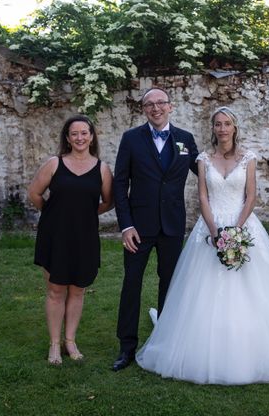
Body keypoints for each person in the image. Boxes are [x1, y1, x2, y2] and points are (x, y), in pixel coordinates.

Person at [136, 107, 269, 384]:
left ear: (234, 127)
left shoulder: (248, 158)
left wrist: (237, 231)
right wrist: (216, 232)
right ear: (213, 128)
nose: (222, 129)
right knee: (200, 290)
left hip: (244, 225)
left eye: (227, 123)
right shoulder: (203, 159)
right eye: (217, 124)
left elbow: (251, 196)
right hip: (210, 227)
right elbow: (202, 197)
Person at [112, 87, 199, 371]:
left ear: (170, 106)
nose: (156, 108)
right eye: (149, 104)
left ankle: (166, 343)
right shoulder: (130, 139)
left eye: (161, 102)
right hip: (139, 227)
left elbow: (206, 171)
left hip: (172, 224)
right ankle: (127, 347)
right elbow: (119, 184)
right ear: (143, 109)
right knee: (132, 284)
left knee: (170, 284)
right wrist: (126, 225)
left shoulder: (185, 139)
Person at [28, 114, 114, 365]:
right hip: (55, 234)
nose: (79, 137)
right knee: (56, 290)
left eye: (84, 133)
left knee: (78, 290)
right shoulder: (54, 163)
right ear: (67, 138)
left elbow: (108, 202)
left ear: (91, 136)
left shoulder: (102, 169)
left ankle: (70, 341)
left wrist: (85, 213)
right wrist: (53, 212)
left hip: (84, 235)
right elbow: (34, 193)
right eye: (74, 133)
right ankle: (54, 345)